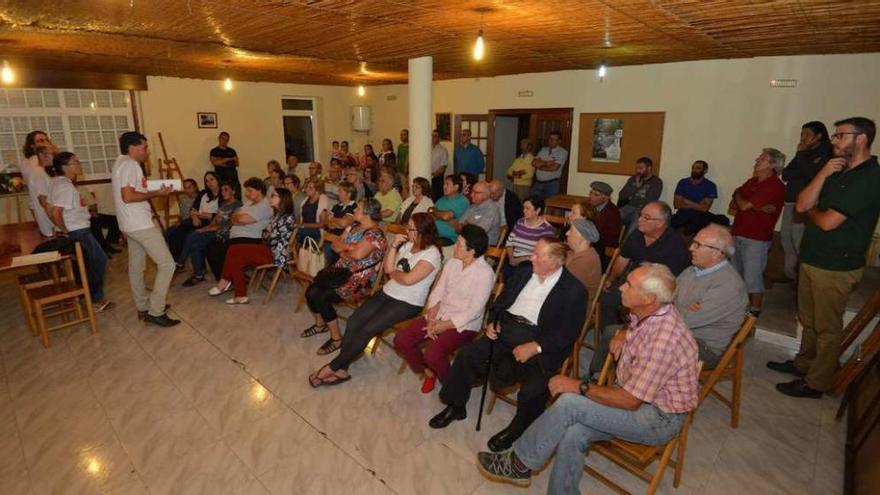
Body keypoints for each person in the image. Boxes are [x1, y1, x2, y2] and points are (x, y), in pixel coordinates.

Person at [476, 263, 699, 493]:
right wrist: (623, 333)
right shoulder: (649, 311)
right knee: (574, 432)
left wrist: (578, 385)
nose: (621, 287)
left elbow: (630, 401)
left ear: (649, 298)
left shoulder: (663, 340)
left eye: (629, 285)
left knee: (570, 403)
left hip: (656, 417)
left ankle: (519, 463)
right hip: (635, 397)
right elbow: (638, 328)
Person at [429, 238, 587, 453]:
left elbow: (566, 333)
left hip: (540, 340)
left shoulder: (573, 290)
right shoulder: (524, 273)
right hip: (507, 329)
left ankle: (517, 429)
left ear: (555, 262)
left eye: (537, 256)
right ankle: (456, 406)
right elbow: (500, 303)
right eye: (533, 252)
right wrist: (493, 323)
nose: (531, 257)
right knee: (467, 355)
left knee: (534, 390)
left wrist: (536, 346)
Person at [769, 117, 880, 399]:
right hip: (813, 257)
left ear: (862, 139)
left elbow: (828, 221)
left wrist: (811, 213)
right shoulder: (837, 170)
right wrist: (822, 174)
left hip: (836, 264)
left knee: (827, 328)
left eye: (840, 136)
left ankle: (817, 383)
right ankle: (803, 364)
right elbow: (803, 203)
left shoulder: (869, 178)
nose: (834, 140)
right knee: (808, 319)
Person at [308, 212, 442, 386]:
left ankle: (333, 367)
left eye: (411, 229)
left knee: (367, 330)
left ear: (424, 232)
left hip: (409, 302)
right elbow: (388, 270)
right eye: (407, 227)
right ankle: (342, 367)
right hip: (389, 291)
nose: (407, 231)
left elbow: (409, 280)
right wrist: (393, 247)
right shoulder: (407, 245)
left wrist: (395, 273)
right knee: (354, 321)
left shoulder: (432, 254)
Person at [395, 225, 496, 393]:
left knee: (432, 354)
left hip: (464, 324)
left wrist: (444, 325)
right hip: (439, 314)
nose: (455, 246)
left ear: (472, 251)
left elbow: (474, 311)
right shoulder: (452, 262)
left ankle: (453, 386)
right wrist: (432, 314)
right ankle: (428, 372)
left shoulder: (485, 274)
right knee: (401, 340)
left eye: (459, 244)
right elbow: (438, 291)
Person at [595, 201, 689, 349]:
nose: (639, 220)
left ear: (661, 223)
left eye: (646, 217)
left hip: (654, 291)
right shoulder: (638, 233)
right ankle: (611, 338)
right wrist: (610, 279)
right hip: (632, 280)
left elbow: (668, 286)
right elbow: (623, 259)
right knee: (607, 300)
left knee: (634, 307)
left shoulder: (675, 247)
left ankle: (631, 339)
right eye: (641, 215)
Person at [301, 199, 387, 355]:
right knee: (310, 291)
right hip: (339, 271)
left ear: (366, 214)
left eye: (358, 209)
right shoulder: (353, 225)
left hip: (358, 279)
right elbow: (335, 245)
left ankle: (336, 338)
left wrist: (346, 249)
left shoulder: (375, 234)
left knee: (320, 295)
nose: (354, 211)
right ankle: (320, 325)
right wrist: (349, 249)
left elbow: (357, 254)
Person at [111, 132, 179, 326]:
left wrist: (152, 189)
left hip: (127, 223)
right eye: (144, 148)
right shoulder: (131, 165)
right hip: (139, 223)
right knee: (167, 265)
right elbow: (128, 196)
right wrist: (157, 193)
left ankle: (143, 307)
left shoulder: (120, 162)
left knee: (137, 266)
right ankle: (156, 311)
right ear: (132, 148)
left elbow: (131, 191)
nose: (147, 152)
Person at [48, 152, 113, 312]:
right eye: (74, 162)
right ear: (64, 167)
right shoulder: (65, 186)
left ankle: (87, 295)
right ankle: (95, 299)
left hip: (76, 228)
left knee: (87, 264)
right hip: (77, 230)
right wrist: (66, 231)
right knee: (99, 261)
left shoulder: (57, 182)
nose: (78, 164)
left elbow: (49, 208)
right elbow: (55, 212)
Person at [676, 224, 748, 368]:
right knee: (634, 337)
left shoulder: (728, 286)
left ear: (717, 253)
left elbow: (686, 321)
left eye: (698, 245)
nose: (691, 248)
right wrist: (682, 309)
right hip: (681, 335)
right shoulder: (691, 271)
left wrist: (675, 309)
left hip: (704, 348)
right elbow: (665, 300)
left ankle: (638, 388)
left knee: (649, 346)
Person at [210, 188, 296, 304]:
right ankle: (238, 293)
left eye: (274, 196)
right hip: (268, 248)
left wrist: (268, 234)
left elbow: (275, 239)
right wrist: (268, 233)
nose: (271, 198)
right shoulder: (277, 215)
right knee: (235, 256)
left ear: (283, 199)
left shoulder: (288, 217)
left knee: (235, 250)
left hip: (276, 254)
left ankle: (226, 283)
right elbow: (267, 234)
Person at [729, 148, 786, 316]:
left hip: (756, 238)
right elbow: (734, 205)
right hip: (738, 232)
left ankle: (754, 313)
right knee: (735, 276)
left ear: (773, 165)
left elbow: (743, 205)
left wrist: (742, 200)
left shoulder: (775, 185)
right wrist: (746, 201)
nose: (757, 160)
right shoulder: (752, 182)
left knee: (753, 278)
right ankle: (736, 309)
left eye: (762, 158)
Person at [779, 121, 833, 282]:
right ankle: (790, 275)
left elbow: (813, 175)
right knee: (785, 239)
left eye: (807, 135)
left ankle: (803, 279)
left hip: (806, 205)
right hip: (790, 201)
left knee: (798, 240)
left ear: (819, 136)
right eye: (802, 134)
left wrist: (801, 157)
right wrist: (801, 161)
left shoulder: (825, 152)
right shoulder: (803, 153)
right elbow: (786, 174)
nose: (803, 138)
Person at [205, 177, 273, 283]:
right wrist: (238, 218)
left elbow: (241, 219)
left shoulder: (264, 205)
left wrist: (238, 218)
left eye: (250, 190)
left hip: (250, 238)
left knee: (224, 250)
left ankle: (228, 280)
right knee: (210, 248)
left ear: (259, 190)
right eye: (247, 191)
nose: (247, 193)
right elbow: (234, 217)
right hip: (237, 235)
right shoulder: (248, 202)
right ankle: (226, 279)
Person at [177, 183, 240, 286]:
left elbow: (230, 225)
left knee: (193, 235)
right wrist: (206, 228)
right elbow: (214, 221)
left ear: (233, 191)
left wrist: (206, 230)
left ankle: (180, 262)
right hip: (215, 230)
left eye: (226, 190)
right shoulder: (223, 204)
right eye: (222, 190)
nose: (223, 193)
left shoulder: (237, 205)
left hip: (225, 233)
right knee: (195, 242)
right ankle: (198, 275)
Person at [168, 172, 221, 262]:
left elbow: (217, 216)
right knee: (170, 232)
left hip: (209, 222)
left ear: (218, 180)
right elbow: (193, 209)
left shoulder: (222, 195)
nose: (209, 183)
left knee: (183, 233)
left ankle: (179, 262)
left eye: (212, 179)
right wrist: (194, 217)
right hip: (195, 220)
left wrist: (198, 214)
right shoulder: (204, 193)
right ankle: (175, 260)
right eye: (207, 181)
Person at [504, 196, 557, 279]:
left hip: (531, 264)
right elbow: (509, 242)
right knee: (507, 271)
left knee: (519, 272)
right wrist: (511, 258)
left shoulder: (546, 229)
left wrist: (520, 259)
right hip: (513, 260)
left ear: (537, 210)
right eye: (523, 208)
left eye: (527, 208)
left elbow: (543, 253)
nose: (523, 211)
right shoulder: (519, 222)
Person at [671, 160, 721, 235]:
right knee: (672, 221)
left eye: (698, 168)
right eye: (693, 168)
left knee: (697, 218)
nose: (694, 170)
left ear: (705, 171)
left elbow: (704, 208)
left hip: (699, 216)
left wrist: (686, 201)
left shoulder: (710, 186)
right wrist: (698, 205)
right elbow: (676, 205)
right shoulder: (683, 182)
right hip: (683, 213)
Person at [618, 157, 663, 236]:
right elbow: (622, 195)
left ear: (649, 168)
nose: (638, 171)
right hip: (628, 206)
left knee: (633, 230)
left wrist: (632, 195)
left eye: (641, 168)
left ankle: (626, 247)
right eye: (637, 168)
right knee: (612, 219)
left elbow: (650, 200)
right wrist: (635, 186)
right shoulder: (633, 179)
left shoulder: (656, 182)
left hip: (641, 210)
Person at [564, 218, 602, 308]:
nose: (567, 233)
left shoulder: (585, 261)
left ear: (582, 238)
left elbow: (565, 289)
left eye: (571, 231)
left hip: (575, 307)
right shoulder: (573, 252)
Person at [588, 181, 623, 270]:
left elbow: (598, 233)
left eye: (596, 195)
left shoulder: (612, 212)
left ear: (606, 198)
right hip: (593, 242)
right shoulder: (593, 206)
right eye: (591, 193)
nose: (591, 196)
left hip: (604, 250)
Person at [457, 181, 502, 246]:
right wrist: (469, 226)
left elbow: (478, 234)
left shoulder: (492, 209)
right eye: (472, 191)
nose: (471, 195)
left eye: (475, 192)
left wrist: (466, 225)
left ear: (485, 195)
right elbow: (458, 227)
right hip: (467, 244)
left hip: (484, 248)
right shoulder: (472, 206)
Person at [323, 181, 358, 265]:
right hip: (331, 236)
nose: (338, 193)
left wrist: (333, 219)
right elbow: (326, 221)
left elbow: (344, 223)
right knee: (326, 248)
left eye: (340, 191)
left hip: (344, 239)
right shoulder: (337, 206)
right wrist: (336, 222)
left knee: (328, 250)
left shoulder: (353, 206)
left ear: (348, 194)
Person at [431, 174, 470, 246]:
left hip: (449, 239)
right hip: (434, 235)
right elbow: (430, 212)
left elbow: (446, 216)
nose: (444, 187)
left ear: (456, 187)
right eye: (444, 184)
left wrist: (436, 213)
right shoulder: (441, 199)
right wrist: (439, 214)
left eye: (447, 184)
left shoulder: (462, 201)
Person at [530, 131, 568, 199]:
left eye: (554, 139)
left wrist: (540, 165)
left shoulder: (562, 152)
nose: (551, 141)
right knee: (533, 203)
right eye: (550, 138)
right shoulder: (543, 149)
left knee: (549, 206)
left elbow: (554, 168)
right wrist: (548, 163)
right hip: (538, 183)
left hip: (551, 185)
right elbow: (533, 162)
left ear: (559, 141)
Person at [296, 180, 330, 244]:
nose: (307, 189)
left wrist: (303, 225)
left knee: (299, 232)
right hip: (304, 228)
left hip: (316, 230)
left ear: (317, 190)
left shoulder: (323, 201)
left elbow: (322, 224)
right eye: (307, 187)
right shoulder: (306, 199)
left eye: (310, 188)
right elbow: (300, 215)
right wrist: (297, 224)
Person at [431, 130, 450, 200]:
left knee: (436, 198)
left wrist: (433, 175)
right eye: (432, 136)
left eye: (435, 136)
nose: (433, 137)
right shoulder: (425, 148)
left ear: (439, 138)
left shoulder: (443, 150)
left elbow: (443, 166)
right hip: (426, 176)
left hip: (437, 178)